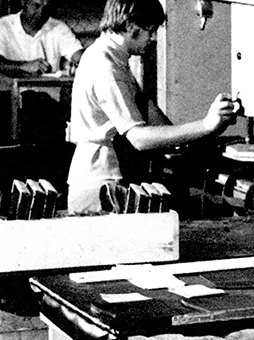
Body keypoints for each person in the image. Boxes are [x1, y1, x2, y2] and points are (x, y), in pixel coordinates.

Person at [66, 0, 236, 215]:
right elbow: (139, 139)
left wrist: (206, 133)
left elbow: (146, 109)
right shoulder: (105, 66)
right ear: (130, 26)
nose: (153, 38)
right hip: (101, 183)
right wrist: (206, 125)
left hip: (108, 176)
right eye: (150, 30)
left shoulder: (114, 58)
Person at [0, 0, 83, 76]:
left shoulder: (58, 27)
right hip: (12, 91)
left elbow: (79, 55)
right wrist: (23, 66)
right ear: (24, 2)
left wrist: (80, 64)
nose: (40, 13)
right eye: (36, 6)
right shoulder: (3, 25)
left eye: (46, 8)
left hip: (48, 91)